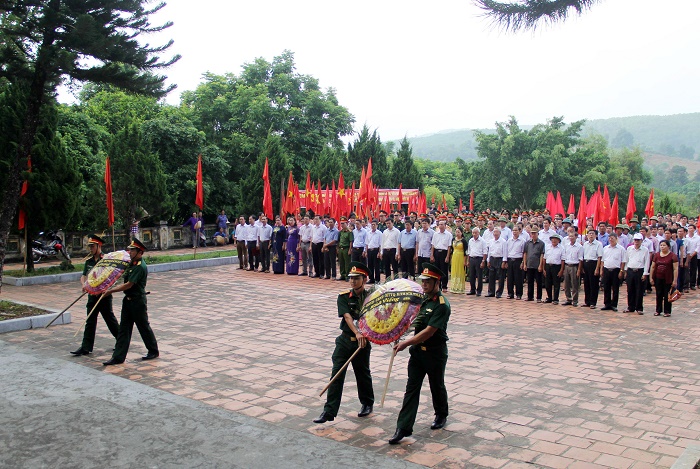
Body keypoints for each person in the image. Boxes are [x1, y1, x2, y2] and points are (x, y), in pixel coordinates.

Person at [388, 263, 451, 445]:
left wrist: (406, 343)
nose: (423, 285)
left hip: (435, 352)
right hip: (417, 354)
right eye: (422, 281)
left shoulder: (442, 305)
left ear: (436, 282)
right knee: (411, 389)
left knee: (436, 385)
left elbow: (429, 331)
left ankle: (441, 414)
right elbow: (411, 321)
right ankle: (403, 428)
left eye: (427, 282)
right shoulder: (421, 300)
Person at [313, 262, 374, 424]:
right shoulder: (343, 296)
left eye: (357, 278)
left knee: (362, 373)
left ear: (364, 279)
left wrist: (366, 335)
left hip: (363, 343)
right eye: (351, 278)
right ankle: (329, 411)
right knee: (337, 374)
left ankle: (367, 403)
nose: (353, 281)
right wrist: (357, 332)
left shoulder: (372, 299)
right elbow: (347, 317)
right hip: (345, 341)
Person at [103, 238, 159, 366]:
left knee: (143, 326)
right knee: (124, 329)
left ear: (140, 252)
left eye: (133, 250)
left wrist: (111, 291)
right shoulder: (131, 263)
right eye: (130, 249)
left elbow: (129, 285)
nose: (130, 251)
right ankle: (118, 357)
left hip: (137, 301)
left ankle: (153, 350)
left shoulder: (140, 266)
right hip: (128, 301)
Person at [70, 234, 119, 356]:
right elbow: (84, 276)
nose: (91, 249)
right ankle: (86, 347)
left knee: (110, 320)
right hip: (92, 295)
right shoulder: (89, 262)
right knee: (90, 321)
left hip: (103, 296)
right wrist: (84, 284)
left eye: (92, 246)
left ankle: (122, 341)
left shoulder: (107, 260)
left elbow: (112, 278)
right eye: (90, 247)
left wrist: (107, 289)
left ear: (99, 246)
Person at [650, 240, 679, 317]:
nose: (662, 247)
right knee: (658, 294)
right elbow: (653, 267)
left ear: (668, 246)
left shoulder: (673, 256)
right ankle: (658, 310)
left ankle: (667, 311)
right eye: (661, 245)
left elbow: (675, 269)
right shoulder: (656, 255)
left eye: (664, 245)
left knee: (667, 295)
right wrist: (651, 278)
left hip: (668, 278)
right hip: (658, 277)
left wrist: (675, 280)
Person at [623, 233, 650, 314]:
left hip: (639, 271)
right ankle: (630, 307)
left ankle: (639, 308)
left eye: (638, 240)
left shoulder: (645, 250)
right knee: (630, 290)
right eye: (635, 240)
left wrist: (645, 273)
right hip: (630, 270)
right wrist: (625, 271)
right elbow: (626, 260)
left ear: (641, 241)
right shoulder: (629, 249)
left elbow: (647, 262)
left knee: (639, 290)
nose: (636, 242)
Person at [601, 234, 627, 312]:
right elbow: (603, 260)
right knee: (606, 288)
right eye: (609, 238)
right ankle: (607, 304)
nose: (611, 240)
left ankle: (614, 304)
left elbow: (623, 261)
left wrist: (621, 271)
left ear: (616, 239)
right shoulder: (605, 248)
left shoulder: (621, 249)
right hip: (606, 269)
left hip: (616, 270)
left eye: (612, 238)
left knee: (615, 288)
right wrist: (602, 270)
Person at [561, 228, 583, 306]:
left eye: (572, 236)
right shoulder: (566, 246)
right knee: (566, 284)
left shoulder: (579, 246)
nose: (571, 238)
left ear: (576, 237)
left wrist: (579, 270)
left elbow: (580, 259)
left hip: (574, 266)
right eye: (570, 236)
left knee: (575, 284)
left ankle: (575, 300)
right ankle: (568, 298)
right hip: (567, 265)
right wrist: (563, 268)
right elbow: (564, 257)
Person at [581, 229, 603, 309]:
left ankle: (593, 302)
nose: (590, 235)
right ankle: (587, 301)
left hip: (594, 264)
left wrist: (597, 268)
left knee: (593, 284)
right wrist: (582, 267)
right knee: (586, 284)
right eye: (589, 233)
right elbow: (583, 256)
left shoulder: (598, 244)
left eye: (592, 234)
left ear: (596, 235)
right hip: (586, 264)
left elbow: (599, 257)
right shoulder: (585, 244)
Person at [430, 217, 452, 291]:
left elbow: (449, 246)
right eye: (439, 224)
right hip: (436, 252)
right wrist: (432, 255)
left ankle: (444, 286)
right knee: (436, 270)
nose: (441, 226)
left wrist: (447, 256)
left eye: (442, 224)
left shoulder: (449, 234)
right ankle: (437, 285)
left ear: (445, 225)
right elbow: (433, 245)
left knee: (444, 270)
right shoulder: (435, 234)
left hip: (444, 252)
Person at [542, 234, 565, 304]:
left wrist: (561, 270)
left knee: (556, 283)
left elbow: (563, 260)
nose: (554, 240)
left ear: (558, 240)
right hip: (548, 266)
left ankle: (555, 299)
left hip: (556, 267)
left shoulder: (561, 248)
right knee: (547, 283)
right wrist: (543, 268)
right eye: (552, 239)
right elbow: (544, 258)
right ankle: (549, 297)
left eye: (555, 239)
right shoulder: (548, 247)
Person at [486, 227, 507, 298]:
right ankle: (491, 292)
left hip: (500, 259)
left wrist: (504, 261)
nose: (495, 234)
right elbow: (489, 251)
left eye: (497, 232)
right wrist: (488, 260)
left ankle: (499, 293)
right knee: (491, 276)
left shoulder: (503, 241)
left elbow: (505, 252)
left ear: (500, 233)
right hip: (492, 258)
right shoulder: (491, 241)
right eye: (494, 232)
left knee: (500, 277)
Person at [506, 226, 525, 300]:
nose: (514, 232)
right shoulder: (509, 241)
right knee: (510, 278)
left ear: (519, 231)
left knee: (518, 278)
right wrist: (506, 261)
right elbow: (506, 251)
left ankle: (519, 294)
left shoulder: (522, 241)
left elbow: (524, 252)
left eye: (516, 230)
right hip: (510, 260)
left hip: (518, 260)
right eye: (513, 230)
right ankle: (510, 293)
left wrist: (523, 262)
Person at [466, 227, 487, 296]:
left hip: (479, 259)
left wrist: (483, 261)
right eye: (473, 233)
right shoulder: (471, 240)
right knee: (471, 275)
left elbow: (485, 252)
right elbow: (469, 251)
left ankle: (479, 290)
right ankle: (472, 289)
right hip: (472, 258)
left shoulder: (482, 241)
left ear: (479, 233)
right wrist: (468, 261)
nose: (474, 234)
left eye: (476, 233)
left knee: (479, 276)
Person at [448, 227, 467, 293]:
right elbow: (451, 249)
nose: (457, 233)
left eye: (459, 232)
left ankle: (460, 288)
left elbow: (465, 252)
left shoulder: (463, 241)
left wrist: (465, 261)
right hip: (454, 256)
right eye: (456, 232)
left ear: (461, 233)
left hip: (461, 256)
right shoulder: (453, 239)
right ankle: (453, 287)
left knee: (460, 271)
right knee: (454, 271)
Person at [366, 220, 382, 284]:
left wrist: (379, 252)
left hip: (376, 250)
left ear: (377, 225)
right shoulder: (368, 233)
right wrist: (366, 251)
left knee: (376, 265)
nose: (372, 226)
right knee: (370, 265)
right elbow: (367, 243)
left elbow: (381, 244)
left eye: (374, 225)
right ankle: (371, 278)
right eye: (372, 225)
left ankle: (377, 279)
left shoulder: (379, 233)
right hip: (370, 250)